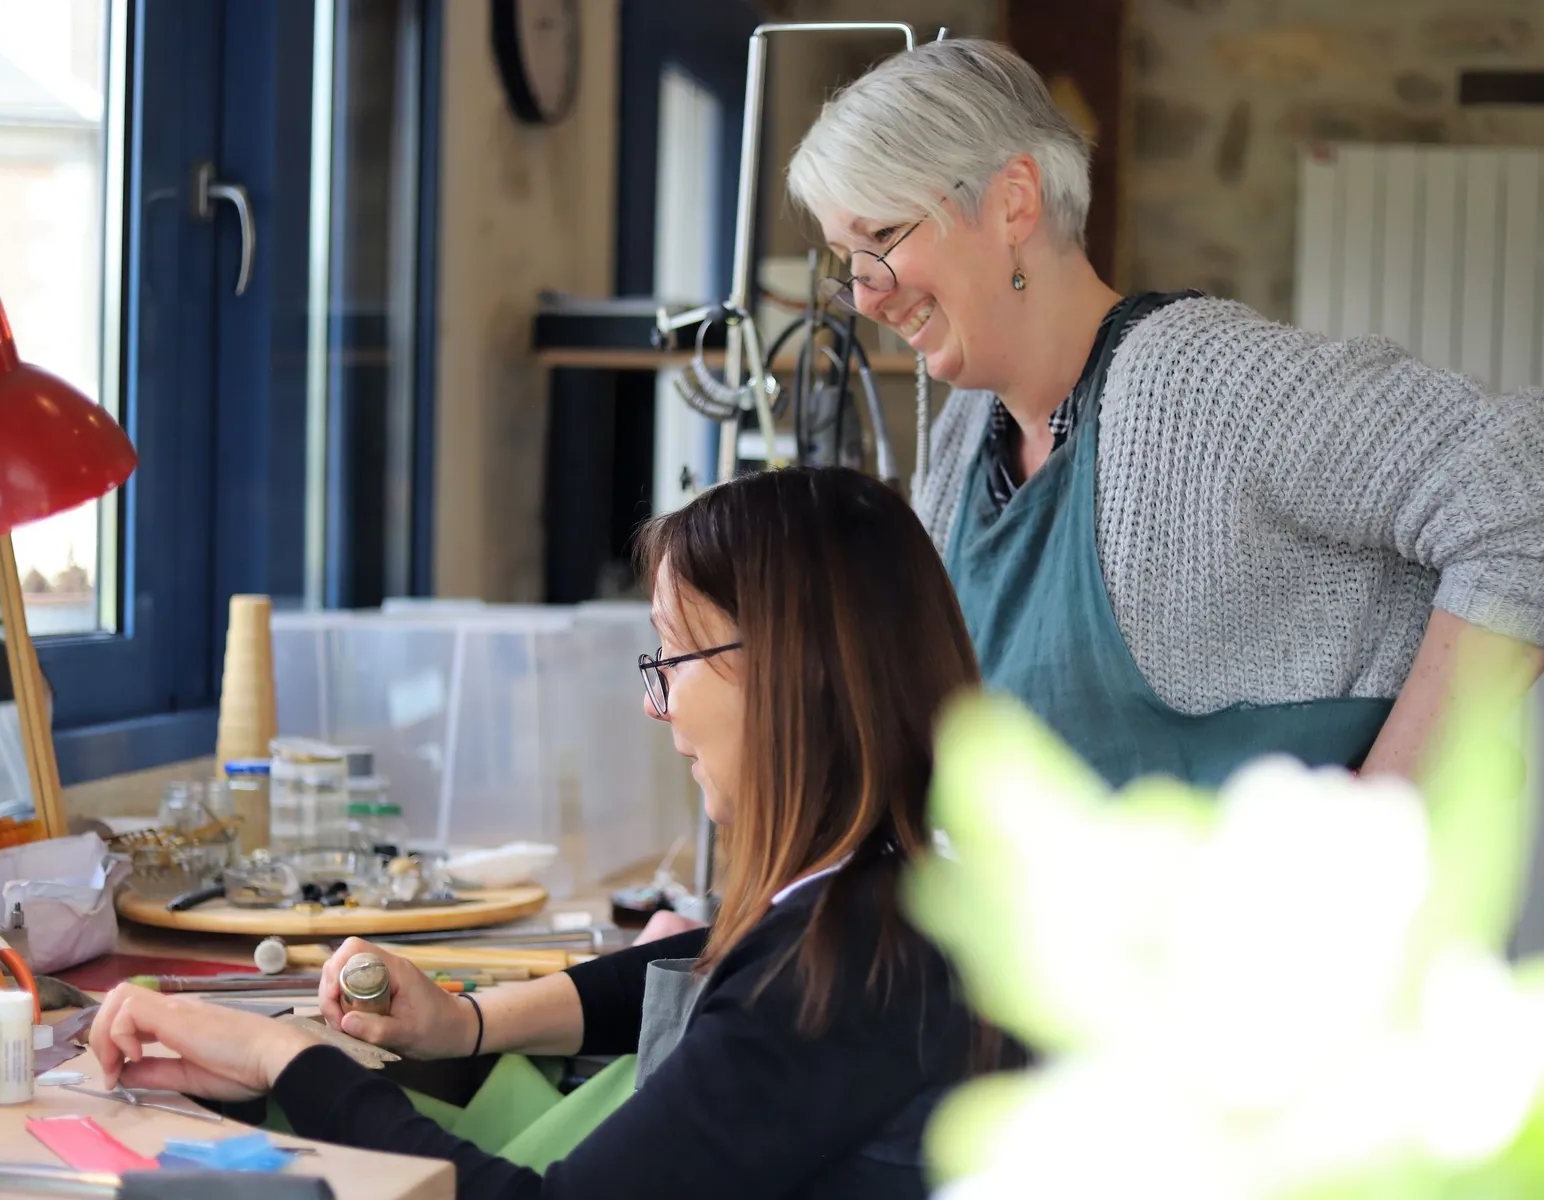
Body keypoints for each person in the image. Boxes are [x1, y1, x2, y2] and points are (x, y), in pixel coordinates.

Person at [87, 466, 1008, 1200]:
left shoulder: (834, 977)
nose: (656, 704)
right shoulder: (906, 891)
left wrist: (288, 1056)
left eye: (674, 656)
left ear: (787, 673)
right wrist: (467, 1021)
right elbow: (718, 952)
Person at [785, 38, 1544, 788]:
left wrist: (1388, 806)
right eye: (844, 260)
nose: (865, 294)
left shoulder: (1197, 388)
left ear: (1012, 202)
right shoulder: (966, 438)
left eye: (881, 237)